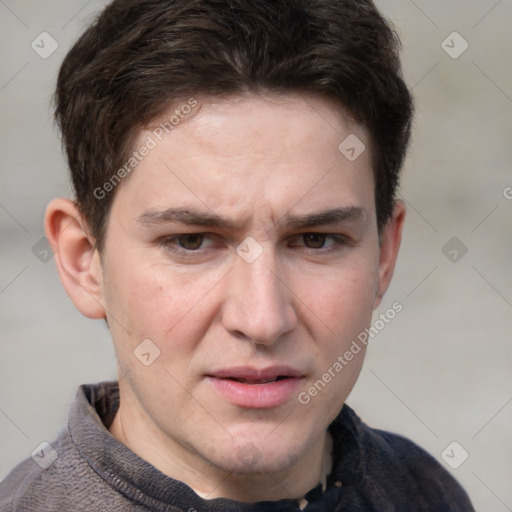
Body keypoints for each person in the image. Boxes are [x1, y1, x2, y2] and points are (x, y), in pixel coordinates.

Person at [0, 0, 475, 510]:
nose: (263, 319)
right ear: (82, 261)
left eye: (315, 239)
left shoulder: (427, 493)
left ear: (384, 255)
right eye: (192, 241)